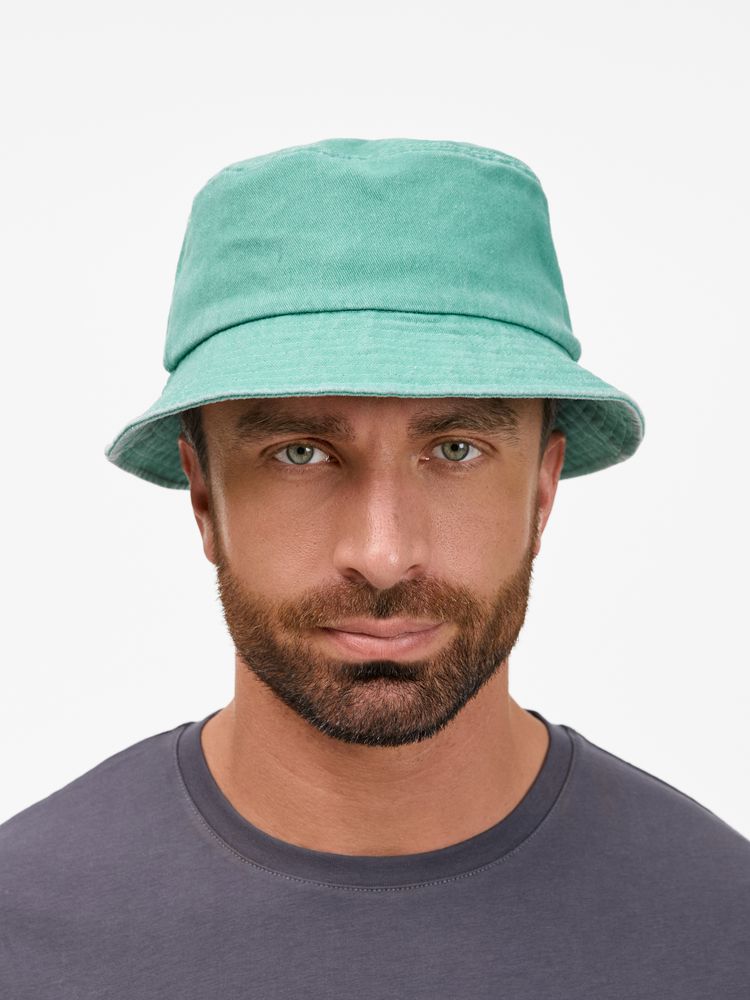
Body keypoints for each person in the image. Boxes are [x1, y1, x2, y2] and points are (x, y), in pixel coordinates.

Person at [1, 137, 748, 998]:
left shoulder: (725, 928)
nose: (384, 554)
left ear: (542, 491)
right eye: (300, 452)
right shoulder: (22, 928)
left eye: (457, 449)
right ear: (204, 495)